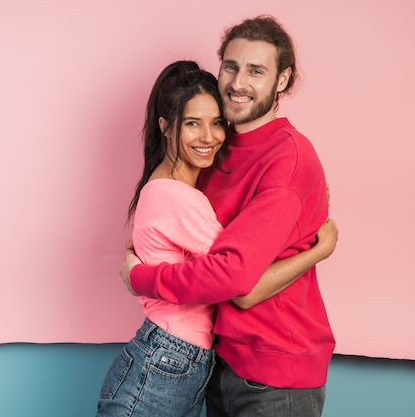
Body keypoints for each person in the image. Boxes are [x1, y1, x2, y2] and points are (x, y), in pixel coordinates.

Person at [120, 16, 337, 417]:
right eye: (231, 67)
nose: (238, 83)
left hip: (274, 369)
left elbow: (240, 284)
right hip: (220, 361)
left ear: (283, 79)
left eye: (257, 71)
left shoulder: (287, 158)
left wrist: (141, 278)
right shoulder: (214, 148)